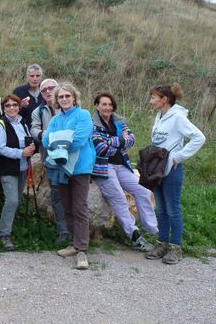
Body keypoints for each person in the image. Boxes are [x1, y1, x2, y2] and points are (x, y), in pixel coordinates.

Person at [145, 84, 205, 264]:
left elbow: (199, 137)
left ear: (164, 99)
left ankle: (176, 247)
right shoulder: (159, 116)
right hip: (157, 169)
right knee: (161, 208)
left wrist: (179, 156)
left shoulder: (178, 117)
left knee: (172, 209)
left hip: (172, 170)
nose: (151, 101)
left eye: (154, 97)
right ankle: (162, 243)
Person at [91, 92, 157, 252]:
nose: (107, 107)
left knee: (143, 190)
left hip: (122, 166)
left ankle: (153, 231)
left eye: (110, 104)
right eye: (104, 104)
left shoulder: (119, 121)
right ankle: (134, 235)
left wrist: (113, 141)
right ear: (97, 106)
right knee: (119, 197)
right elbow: (100, 147)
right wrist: (121, 141)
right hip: (104, 168)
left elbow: (132, 140)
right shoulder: (91, 123)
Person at [42, 83, 95, 270]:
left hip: (80, 168)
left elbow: (80, 139)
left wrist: (58, 143)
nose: (64, 99)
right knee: (67, 207)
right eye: (60, 97)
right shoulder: (56, 119)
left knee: (79, 207)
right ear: (57, 100)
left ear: (74, 98)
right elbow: (45, 139)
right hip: (60, 167)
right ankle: (74, 243)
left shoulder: (83, 115)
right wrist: (61, 141)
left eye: (67, 96)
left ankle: (82, 251)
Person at [30, 78, 70, 244]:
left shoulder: (68, 107)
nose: (47, 91)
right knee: (56, 195)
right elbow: (33, 129)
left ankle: (78, 230)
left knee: (75, 195)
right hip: (51, 160)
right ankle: (63, 231)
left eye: (51, 88)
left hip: (71, 160)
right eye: (44, 89)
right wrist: (43, 135)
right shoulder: (38, 111)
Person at [0, 95, 35, 251]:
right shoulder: (1, 125)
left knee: (16, 200)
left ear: (19, 106)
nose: (11, 108)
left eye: (14, 105)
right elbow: (0, 148)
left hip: (23, 168)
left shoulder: (23, 123)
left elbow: (27, 142)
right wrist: (21, 153)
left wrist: (31, 149)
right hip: (8, 169)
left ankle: (9, 228)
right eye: (8, 106)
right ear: (3, 109)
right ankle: (4, 234)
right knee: (12, 200)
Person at [14, 64, 44, 128]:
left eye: (37, 76)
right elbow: (10, 113)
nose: (35, 79)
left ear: (41, 77)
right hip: (25, 130)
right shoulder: (18, 92)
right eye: (32, 76)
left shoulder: (46, 91)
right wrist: (20, 107)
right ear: (27, 77)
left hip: (44, 131)